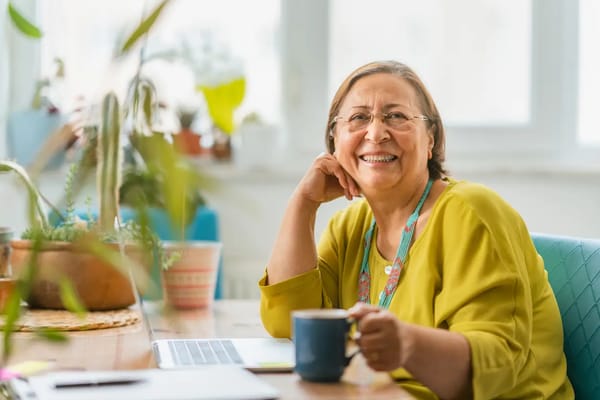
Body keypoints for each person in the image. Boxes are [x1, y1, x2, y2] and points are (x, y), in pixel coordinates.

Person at [258, 60, 573, 399]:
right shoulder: (350, 226)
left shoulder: (471, 212)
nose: (376, 133)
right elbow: (290, 324)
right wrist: (303, 202)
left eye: (396, 116)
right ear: (334, 142)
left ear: (431, 140)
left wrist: (407, 344)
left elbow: (495, 366)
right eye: (359, 117)